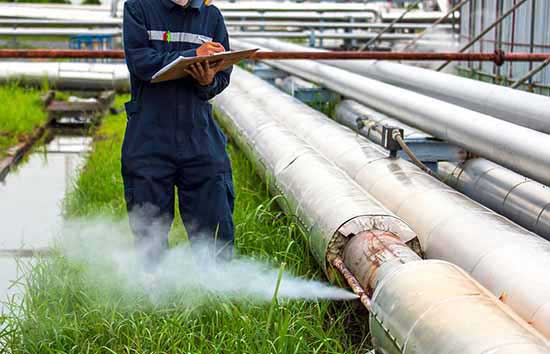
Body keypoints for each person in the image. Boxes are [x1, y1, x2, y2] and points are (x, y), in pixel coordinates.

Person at [122, 0, 235, 268]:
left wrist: (208, 81)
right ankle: (153, 289)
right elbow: (141, 63)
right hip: (149, 135)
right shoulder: (139, 8)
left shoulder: (210, 15)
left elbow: (223, 76)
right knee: (149, 224)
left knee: (214, 216)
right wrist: (194, 53)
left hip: (199, 135)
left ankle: (217, 289)